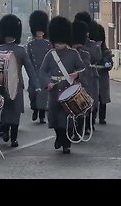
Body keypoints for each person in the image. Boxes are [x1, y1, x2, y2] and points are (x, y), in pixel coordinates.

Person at [39, 16, 85, 153]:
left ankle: (66, 143)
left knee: (68, 117)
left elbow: (82, 68)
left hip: (69, 89)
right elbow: (42, 72)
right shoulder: (50, 54)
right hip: (54, 90)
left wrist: (77, 74)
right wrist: (48, 83)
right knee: (54, 116)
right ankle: (59, 137)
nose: (58, 45)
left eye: (60, 42)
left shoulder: (73, 53)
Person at [0, 14, 40, 147]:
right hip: (3, 85)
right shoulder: (9, 50)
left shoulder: (17, 51)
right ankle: (6, 131)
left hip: (15, 85)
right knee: (6, 110)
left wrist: (36, 85)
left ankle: (13, 137)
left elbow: (29, 69)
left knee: (13, 112)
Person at [74, 12, 101, 132]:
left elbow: (96, 57)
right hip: (77, 77)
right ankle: (79, 125)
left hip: (90, 76)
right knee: (77, 102)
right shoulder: (73, 47)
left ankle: (89, 124)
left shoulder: (93, 45)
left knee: (91, 101)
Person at [26, 10, 51, 124]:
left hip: (44, 73)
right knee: (32, 93)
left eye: (42, 30)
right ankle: (34, 109)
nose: (40, 32)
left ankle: (41, 115)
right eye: (38, 31)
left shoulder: (48, 44)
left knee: (43, 95)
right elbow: (28, 59)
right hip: (34, 72)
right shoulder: (30, 45)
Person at [96, 24, 113, 125]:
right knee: (93, 99)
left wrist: (108, 65)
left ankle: (102, 117)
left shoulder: (105, 51)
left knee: (103, 99)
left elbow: (110, 64)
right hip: (93, 76)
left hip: (103, 77)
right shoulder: (90, 50)